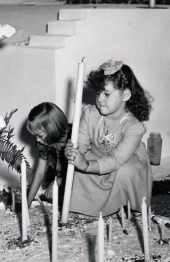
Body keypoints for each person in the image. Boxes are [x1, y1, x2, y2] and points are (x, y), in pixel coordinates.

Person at [65, 59, 153, 217]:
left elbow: (115, 160)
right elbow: (82, 144)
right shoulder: (89, 113)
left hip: (123, 162)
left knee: (126, 172)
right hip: (96, 157)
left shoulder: (134, 127)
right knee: (78, 169)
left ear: (125, 94)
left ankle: (133, 208)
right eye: (98, 93)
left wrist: (86, 165)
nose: (99, 98)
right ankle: (88, 206)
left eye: (106, 94)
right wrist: (74, 152)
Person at [26, 102, 70, 207]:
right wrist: (26, 205)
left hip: (78, 187)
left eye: (39, 135)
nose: (37, 140)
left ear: (52, 130)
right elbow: (39, 174)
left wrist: (59, 181)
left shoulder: (76, 137)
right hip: (55, 187)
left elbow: (82, 173)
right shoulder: (44, 144)